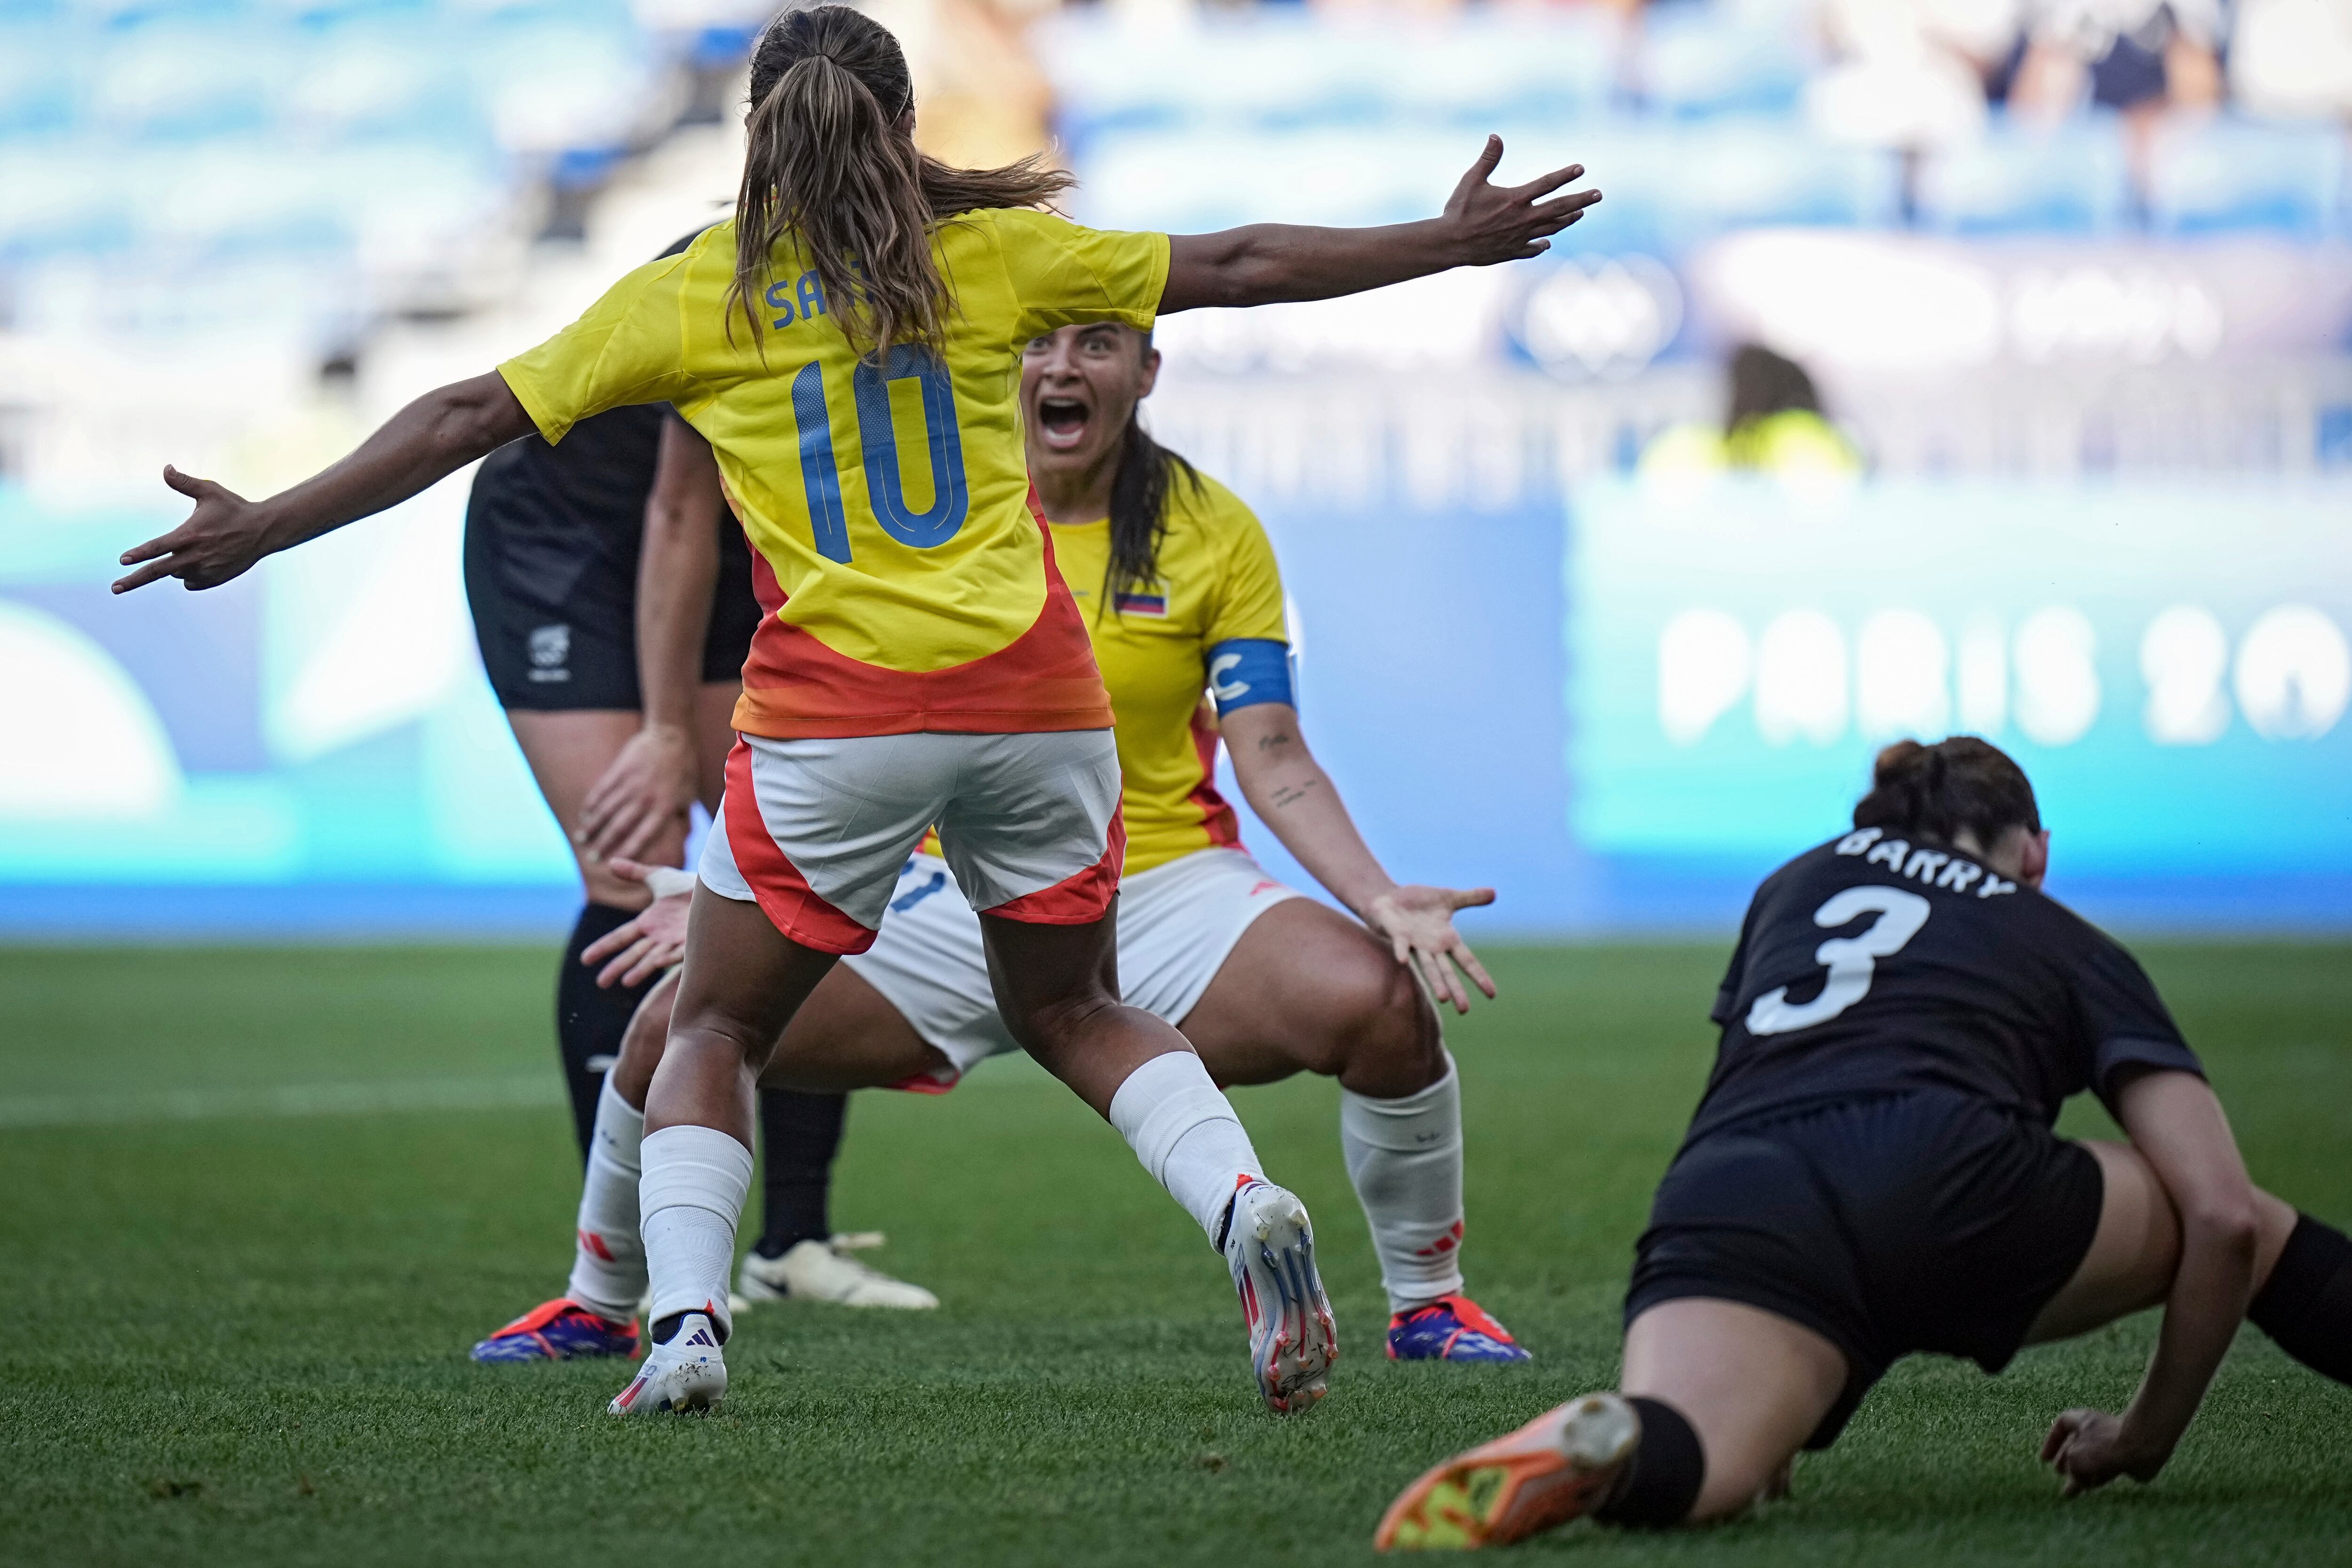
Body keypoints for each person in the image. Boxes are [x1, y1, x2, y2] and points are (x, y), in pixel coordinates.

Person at [112, 4, 1599, 1422]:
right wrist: (1450, 243)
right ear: (904, 127)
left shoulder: (702, 289)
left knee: (709, 1016)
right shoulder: (998, 257)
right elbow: (1248, 258)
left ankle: (683, 1324)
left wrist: (267, 523)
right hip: (1035, 701)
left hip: (838, 719)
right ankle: (1237, 1198)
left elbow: (459, 419)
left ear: (760, 137)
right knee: (1078, 1006)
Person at [509, 317, 1528, 1376]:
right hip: (934, 890)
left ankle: (1428, 1306)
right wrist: (752, 898)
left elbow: (1269, 747)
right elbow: (850, 729)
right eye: (1036, 343)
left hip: (1161, 884)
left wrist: (1379, 895)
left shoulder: (1209, 527)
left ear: (1146, 371)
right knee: (665, 1031)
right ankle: (598, 1305)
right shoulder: (931, 504)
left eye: (1096, 344)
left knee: (1382, 1001)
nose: (1060, 367)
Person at [1375, 736, 2352, 1549]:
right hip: (1958, 1180)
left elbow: (1745, 1078)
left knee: (1704, 1461)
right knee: (2246, 1219)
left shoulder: (1792, 883)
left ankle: (1606, 1439)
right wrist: (2142, 1437)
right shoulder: (2065, 937)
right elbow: (2219, 1215)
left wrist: (1782, 1377)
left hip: (1737, 1186)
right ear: (2035, 853)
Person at [459, 233, 933, 1365]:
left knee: (816, 860)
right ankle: (612, 1269)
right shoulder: (734, 271)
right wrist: (668, 730)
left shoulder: (939, 264)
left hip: (744, 537)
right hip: (572, 533)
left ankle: (794, 1239)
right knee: (631, 873)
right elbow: (673, 512)